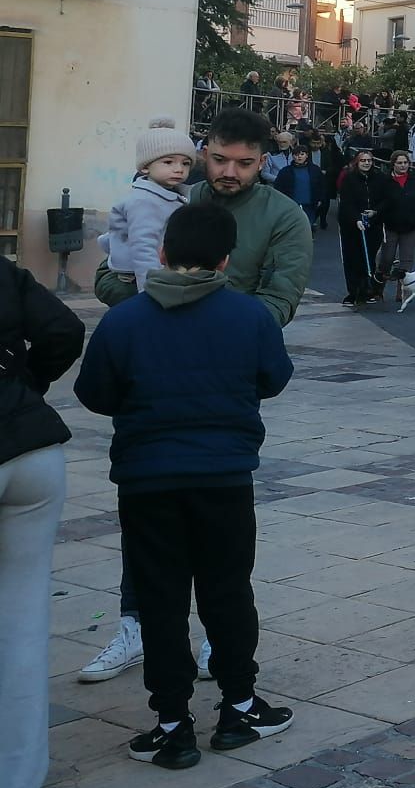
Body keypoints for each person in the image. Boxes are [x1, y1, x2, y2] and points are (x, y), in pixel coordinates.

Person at [79, 109, 310, 688]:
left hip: (222, 387)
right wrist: (160, 314)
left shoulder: (283, 216)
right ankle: (135, 626)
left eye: (244, 163)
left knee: (220, 542)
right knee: (147, 522)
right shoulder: (167, 193)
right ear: (203, 151)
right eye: (219, 159)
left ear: (263, 162)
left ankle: (218, 641)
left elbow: (280, 301)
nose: (228, 172)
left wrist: (209, 317)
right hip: (154, 387)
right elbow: (110, 275)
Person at [74, 203, 295, 772]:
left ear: (163, 253)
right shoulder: (249, 316)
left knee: (160, 600)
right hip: (224, 478)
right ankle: (239, 707)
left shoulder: (124, 320)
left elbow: (94, 393)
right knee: (228, 591)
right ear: (226, 260)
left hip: (146, 481)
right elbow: (274, 378)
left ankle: (172, 725)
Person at [0, 256, 86, 788]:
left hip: (25, 434)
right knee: (22, 626)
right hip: (30, 448)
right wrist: (22, 384)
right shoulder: (3, 272)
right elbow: (64, 330)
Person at [98, 119, 197, 304]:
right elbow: (143, 248)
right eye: (168, 162)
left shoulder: (169, 194)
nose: (179, 169)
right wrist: (149, 293)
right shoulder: (144, 201)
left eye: (185, 163)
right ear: (145, 167)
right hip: (135, 278)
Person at [374, 150, 415, 305]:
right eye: (399, 163)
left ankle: (403, 292)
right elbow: (378, 201)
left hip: (410, 225)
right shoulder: (385, 181)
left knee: (406, 259)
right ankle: (378, 289)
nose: (403, 165)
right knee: (387, 258)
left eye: (405, 163)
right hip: (390, 225)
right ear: (393, 164)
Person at [336, 148, 387, 307]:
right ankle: (353, 292)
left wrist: (375, 212)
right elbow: (346, 203)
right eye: (363, 160)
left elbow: (385, 199)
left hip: (373, 224)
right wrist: (356, 219)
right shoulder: (349, 179)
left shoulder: (379, 178)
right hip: (352, 227)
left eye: (369, 160)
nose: (366, 163)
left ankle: (367, 290)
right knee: (352, 259)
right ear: (357, 162)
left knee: (369, 259)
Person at [271, 146, 326, 233]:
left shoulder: (315, 170)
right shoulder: (285, 171)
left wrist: (320, 198)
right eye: (296, 155)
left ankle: (307, 237)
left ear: (307, 155)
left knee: (308, 224)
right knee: (293, 225)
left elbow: (321, 185)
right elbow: (278, 187)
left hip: (310, 203)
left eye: (302, 154)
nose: (299, 157)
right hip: (291, 203)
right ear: (292, 156)